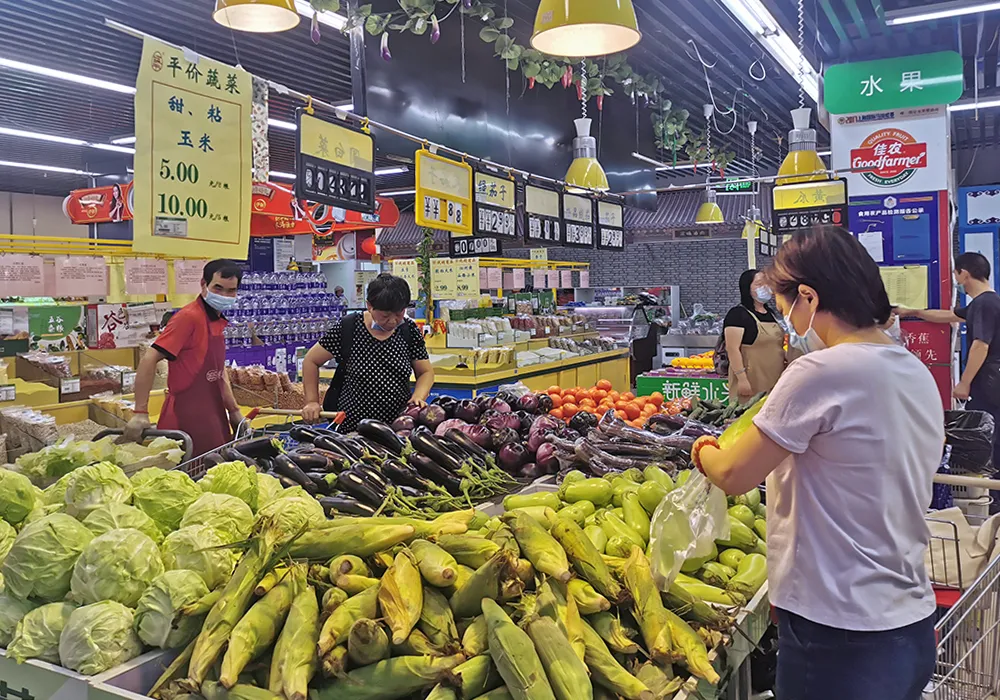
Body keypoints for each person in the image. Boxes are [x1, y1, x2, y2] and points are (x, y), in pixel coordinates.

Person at [692, 227, 942, 700]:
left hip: (839, 631)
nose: (787, 318)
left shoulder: (820, 372)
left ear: (808, 295)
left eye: (786, 307)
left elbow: (733, 474)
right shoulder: (913, 371)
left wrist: (702, 448)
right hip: (907, 620)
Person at [124, 260, 244, 456]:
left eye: (231, 290)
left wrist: (233, 411)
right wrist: (140, 412)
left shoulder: (217, 321)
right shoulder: (188, 317)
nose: (224, 295)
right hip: (184, 419)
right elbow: (150, 357)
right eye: (218, 288)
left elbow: (218, 371)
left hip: (213, 416)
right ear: (204, 284)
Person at [898, 252, 1000, 463]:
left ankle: (992, 491)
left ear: (964, 274)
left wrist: (964, 383)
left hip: (989, 384)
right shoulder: (983, 303)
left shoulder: (984, 304)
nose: (956, 281)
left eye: (955, 274)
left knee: (989, 437)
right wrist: (913, 312)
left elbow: (980, 345)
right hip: (991, 381)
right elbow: (950, 315)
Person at [302, 273, 434, 430]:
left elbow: (425, 372)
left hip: (398, 427)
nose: (392, 321)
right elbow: (311, 360)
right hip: (352, 428)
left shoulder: (408, 330)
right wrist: (312, 401)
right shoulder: (349, 327)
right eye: (385, 315)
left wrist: (419, 396)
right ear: (369, 306)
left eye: (399, 314)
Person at [722, 269, 787, 402]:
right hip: (751, 378)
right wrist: (742, 379)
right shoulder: (738, 314)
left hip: (774, 377)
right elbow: (732, 348)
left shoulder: (771, 314)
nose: (765, 287)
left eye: (767, 283)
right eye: (759, 284)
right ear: (747, 288)